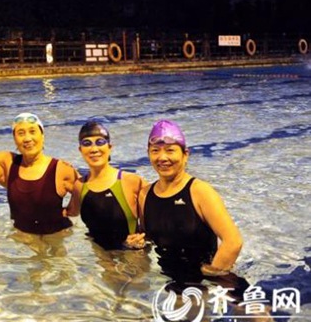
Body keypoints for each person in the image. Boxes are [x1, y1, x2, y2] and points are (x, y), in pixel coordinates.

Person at [139, 120, 243, 282]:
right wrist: (137, 242)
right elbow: (149, 238)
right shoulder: (145, 194)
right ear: (148, 154)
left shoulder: (200, 191)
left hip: (207, 278)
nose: (162, 157)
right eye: (155, 151)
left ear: (185, 154)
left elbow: (233, 242)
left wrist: (210, 276)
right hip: (168, 276)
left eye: (170, 150)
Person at [0, 112, 80, 235]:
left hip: (56, 238)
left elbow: (86, 190)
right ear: (14, 139)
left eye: (32, 132)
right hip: (22, 239)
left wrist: (72, 210)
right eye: (21, 133)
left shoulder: (60, 168)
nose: (27, 139)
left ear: (42, 135)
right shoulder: (9, 162)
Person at [73, 119, 146, 250]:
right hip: (100, 256)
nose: (94, 149)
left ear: (109, 147)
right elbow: (69, 214)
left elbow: (158, 217)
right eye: (87, 143)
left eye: (100, 142)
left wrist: (145, 238)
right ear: (80, 149)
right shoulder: (79, 186)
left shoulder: (131, 181)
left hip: (133, 255)